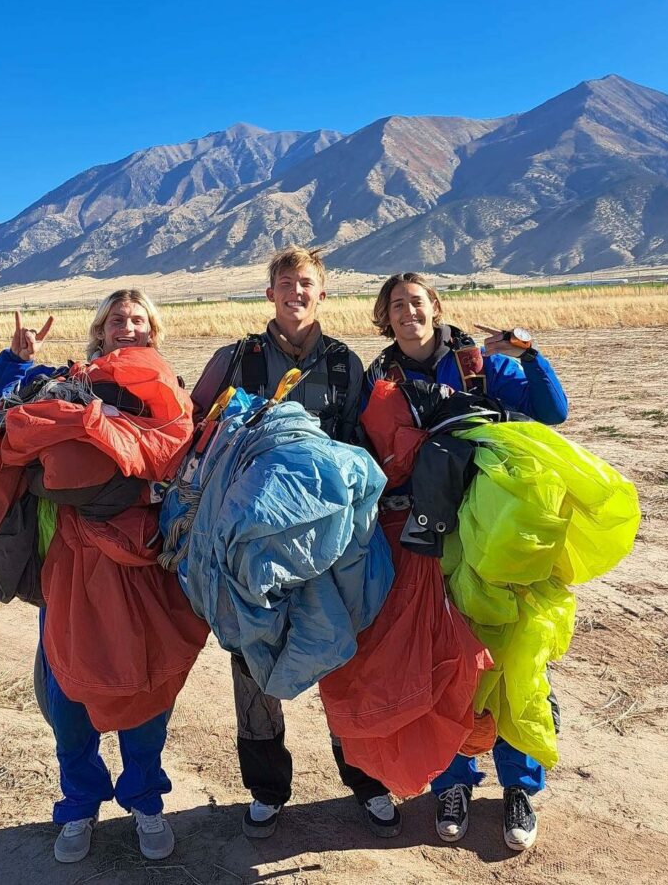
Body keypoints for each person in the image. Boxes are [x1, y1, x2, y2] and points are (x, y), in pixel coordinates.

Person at [191, 246, 402, 839]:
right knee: (253, 656)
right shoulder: (236, 360)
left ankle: (366, 780)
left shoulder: (345, 364)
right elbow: (193, 429)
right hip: (255, 544)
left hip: (334, 538)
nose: (295, 292)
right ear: (270, 294)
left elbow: (368, 442)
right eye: (285, 284)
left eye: (306, 283)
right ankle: (266, 789)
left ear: (322, 293)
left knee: (345, 655)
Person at [0, 291, 179, 864]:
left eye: (138, 320)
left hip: (139, 563)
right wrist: (15, 360)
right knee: (67, 692)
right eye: (117, 320)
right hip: (67, 562)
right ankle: (79, 804)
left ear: (152, 331)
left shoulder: (166, 390)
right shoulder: (63, 380)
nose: (127, 327)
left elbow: (184, 457)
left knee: (143, 681)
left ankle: (145, 799)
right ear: (100, 331)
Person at [364, 272, 568, 852]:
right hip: (427, 543)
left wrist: (530, 357)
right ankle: (454, 783)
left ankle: (520, 786)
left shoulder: (479, 363)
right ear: (386, 316)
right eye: (397, 305)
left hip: (498, 535)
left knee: (511, 657)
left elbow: (552, 412)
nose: (409, 313)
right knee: (447, 663)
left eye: (417, 302)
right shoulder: (380, 379)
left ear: (436, 308)